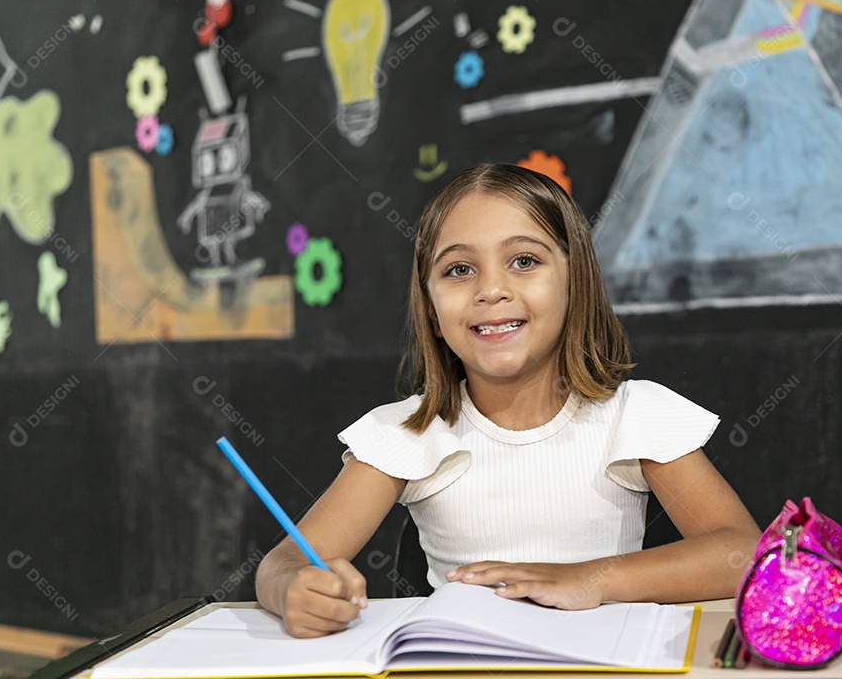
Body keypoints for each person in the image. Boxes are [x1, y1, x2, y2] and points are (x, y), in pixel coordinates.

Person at [255, 163, 761, 638]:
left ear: (575, 283)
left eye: (524, 261)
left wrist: (587, 579)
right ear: (431, 310)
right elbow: (283, 563)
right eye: (458, 270)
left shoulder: (634, 415)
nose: (491, 289)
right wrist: (294, 589)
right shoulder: (405, 432)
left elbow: (741, 552)